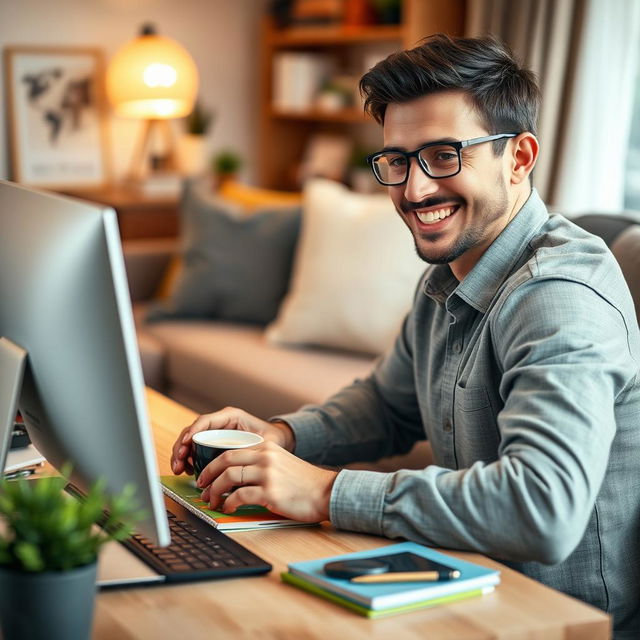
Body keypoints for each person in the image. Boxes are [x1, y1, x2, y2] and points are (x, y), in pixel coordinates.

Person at [171, 35, 640, 637]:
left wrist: (325, 492)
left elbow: (542, 505)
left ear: (519, 157)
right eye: (398, 160)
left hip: (555, 623)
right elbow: (387, 404)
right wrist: (282, 435)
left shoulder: (557, 296)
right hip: (467, 587)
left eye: (444, 154)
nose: (415, 191)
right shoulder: (448, 275)